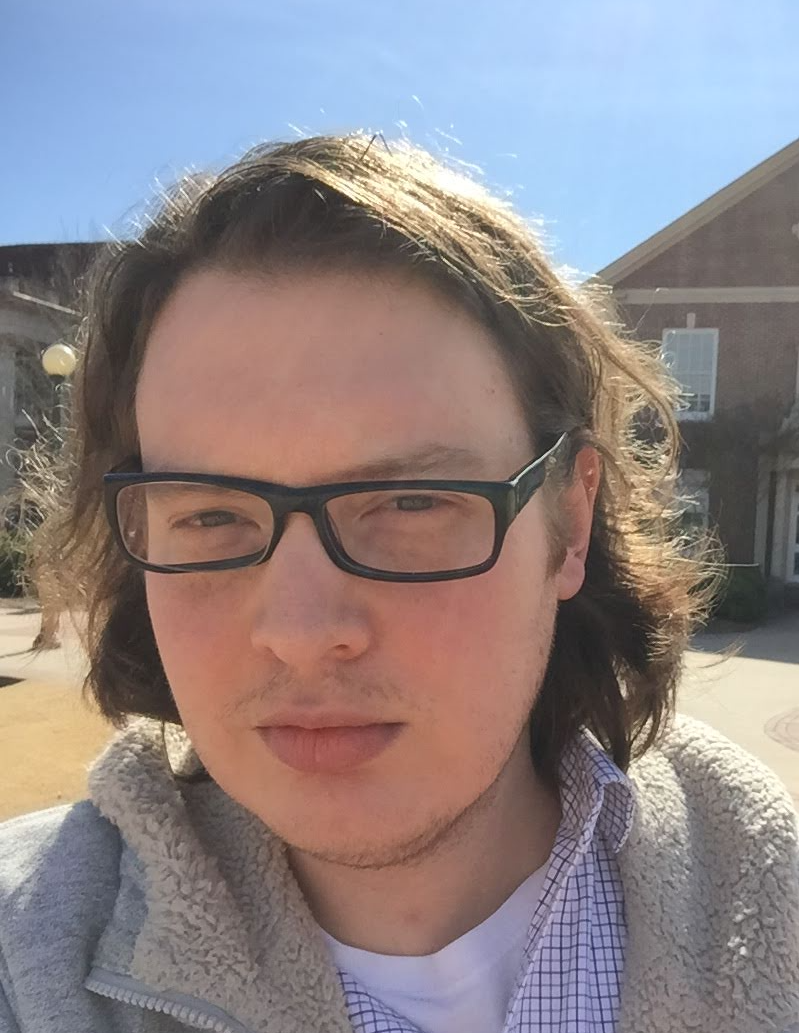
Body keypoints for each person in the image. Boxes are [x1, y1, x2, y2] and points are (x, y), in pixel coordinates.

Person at [0, 135, 797, 1033]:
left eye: (411, 502)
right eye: (212, 515)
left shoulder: (773, 906)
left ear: (569, 524)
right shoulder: (28, 959)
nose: (301, 631)